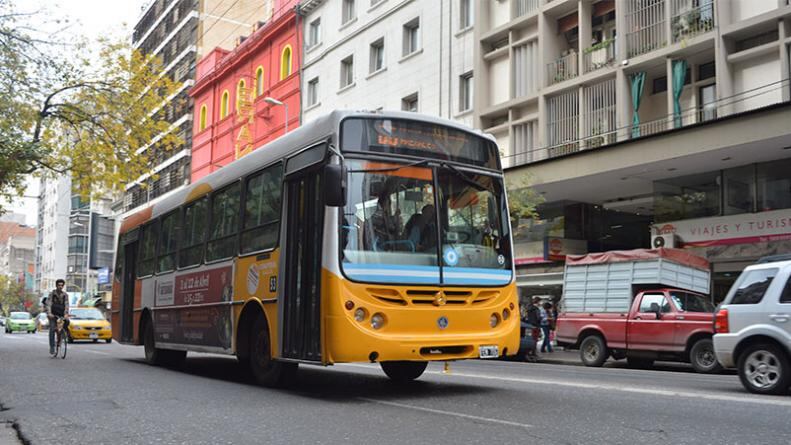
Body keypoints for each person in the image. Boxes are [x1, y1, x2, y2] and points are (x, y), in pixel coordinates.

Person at [46, 279, 70, 355]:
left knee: (67, 322)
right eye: (59, 285)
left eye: (61, 285)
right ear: (56, 285)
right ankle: (52, 346)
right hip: (53, 315)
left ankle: (62, 337)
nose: (60, 287)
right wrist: (49, 313)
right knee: (52, 329)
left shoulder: (65, 295)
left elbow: (66, 305)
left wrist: (66, 314)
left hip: (61, 315)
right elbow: (49, 304)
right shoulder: (52, 294)